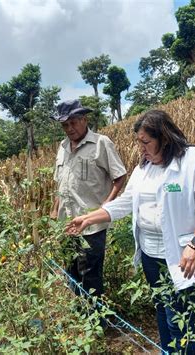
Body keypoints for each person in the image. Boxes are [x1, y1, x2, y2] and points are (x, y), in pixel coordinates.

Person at [66, 109, 195, 354]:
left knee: (180, 317)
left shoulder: (194, 161)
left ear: (165, 138)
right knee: (162, 309)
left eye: (146, 142)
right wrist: (88, 218)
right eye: (138, 142)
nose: (141, 148)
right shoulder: (145, 167)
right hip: (151, 256)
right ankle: (167, 351)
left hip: (183, 256)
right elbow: (125, 202)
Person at [50, 99, 127, 298]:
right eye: (65, 125)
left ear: (84, 119)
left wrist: (106, 206)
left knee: (90, 274)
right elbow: (61, 184)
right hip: (65, 223)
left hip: (90, 224)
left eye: (73, 122)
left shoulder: (101, 143)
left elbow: (119, 176)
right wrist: (54, 210)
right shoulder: (62, 146)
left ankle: (95, 321)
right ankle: (80, 314)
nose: (69, 128)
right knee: (71, 269)